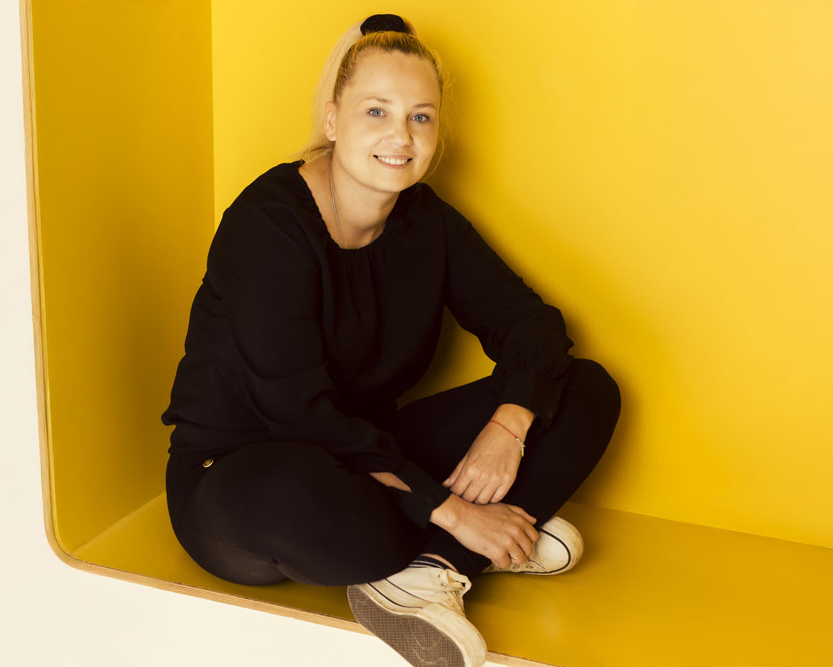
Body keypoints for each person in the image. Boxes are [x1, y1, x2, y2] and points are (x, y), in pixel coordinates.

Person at [160, 13, 621, 667]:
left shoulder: (426, 221)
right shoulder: (267, 225)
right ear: (332, 119)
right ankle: (479, 536)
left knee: (584, 389)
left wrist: (509, 425)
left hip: (372, 453)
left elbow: (533, 327)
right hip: (247, 473)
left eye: (420, 117)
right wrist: (453, 508)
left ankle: (429, 572)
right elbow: (298, 413)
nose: (400, 136)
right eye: (376, 111)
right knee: (333, 514)